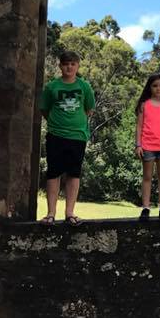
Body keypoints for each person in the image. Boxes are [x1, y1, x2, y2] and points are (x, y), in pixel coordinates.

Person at [38, 50, 95, 226]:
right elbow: (44, 109)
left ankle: (70, 213)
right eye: (66, 64)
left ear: (77, 66)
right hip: (56, 135)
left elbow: (89, 109)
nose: (69, 67)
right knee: (54, 173)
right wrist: (57, 123)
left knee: (74, 174)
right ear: (60, 65)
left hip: (77, 136)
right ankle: (50, 214)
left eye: (73, 64)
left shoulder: (84, 86)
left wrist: (76, 125)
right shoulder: (52, 87)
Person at [135, 74, 160, 221]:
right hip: (147, 146)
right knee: (147, 177)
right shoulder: (144, 105)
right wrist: (138, 145)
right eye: (155, 85)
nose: (158, 88)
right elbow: (139, 126)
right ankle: (145, 208)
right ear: (150, 87)